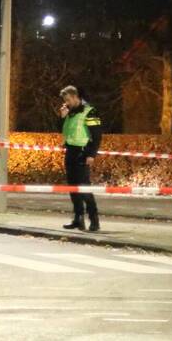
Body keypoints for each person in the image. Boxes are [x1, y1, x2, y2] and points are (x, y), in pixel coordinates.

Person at [58, 85, 102, 232]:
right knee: (72, 187)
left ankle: (94, 220)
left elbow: (96, 136)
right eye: (65, 100)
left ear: (76, 97)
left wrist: (91, 154)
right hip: (70, 151)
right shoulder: (71, 113)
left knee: (84, 188)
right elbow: (64, 130)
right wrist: (62, 117)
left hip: (83, 153)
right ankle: (78, 219)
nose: (67, 103)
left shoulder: (89, 111)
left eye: (69, 99)